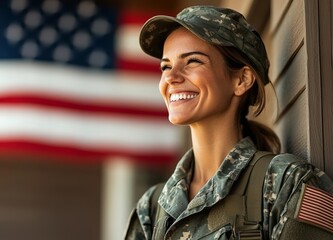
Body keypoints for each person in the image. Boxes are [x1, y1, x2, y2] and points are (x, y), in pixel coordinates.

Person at [124, 5, 333, 240]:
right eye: (166, 66)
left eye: (193, 61)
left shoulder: (287, 183)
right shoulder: (151, 210)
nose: (171, 77)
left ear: (242, 79)